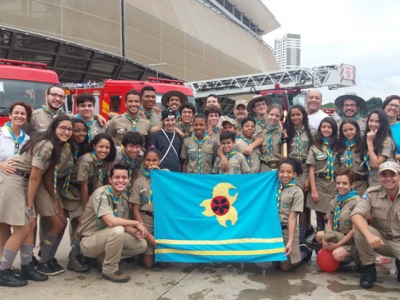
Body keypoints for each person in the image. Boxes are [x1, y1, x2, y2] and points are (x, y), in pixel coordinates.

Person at [0, 115, 73, 286]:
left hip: (22, 181)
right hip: (15, 181)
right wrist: (28, 205)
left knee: (31, 225)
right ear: (54, 127)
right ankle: (3, 272)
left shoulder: (53, 145)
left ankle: (26, 267)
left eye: (69, 129)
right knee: (23, 227)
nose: (67, 132)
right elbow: (34, 177)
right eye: (63, 127)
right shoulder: (47, 145)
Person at [78, 164, 147, 283]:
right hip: (90, 240)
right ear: (110, 179)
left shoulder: (123, 197)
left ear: (128, 179)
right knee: (117, 230)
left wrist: (136, 232)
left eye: (124, 178)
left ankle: (103, 258)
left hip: (108, 237)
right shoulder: (101, 194)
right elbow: (111, 221)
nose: (121, 180)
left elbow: (124, 224)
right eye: (117, 177)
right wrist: (137, 222)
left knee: (141, 245)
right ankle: (109, 269)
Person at [39, 119, 90, 274]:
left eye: (83, 131)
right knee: (58, 224)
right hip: (50, 187)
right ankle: (44, 259)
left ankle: (62, 256)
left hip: (66, 189)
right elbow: (48, 175)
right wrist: (54, 198)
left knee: (77, 222)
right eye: (76, 130)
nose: (80, 134)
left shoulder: (79, 148)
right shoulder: (60, 147)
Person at [351, 161, 400, 288]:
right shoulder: (372, 193)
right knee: (360, 230)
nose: (388, 178)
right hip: (381, 240)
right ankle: (369, 270)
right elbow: (356, 214)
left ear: (399, 176)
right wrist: (369, 235)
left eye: (392, 175)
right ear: (379, 177)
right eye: (384, 175)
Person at [0, 102, 32, 272]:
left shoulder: (26, 139)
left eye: (23, 114)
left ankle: (6, 261)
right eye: (16, 113)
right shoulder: (1, 133)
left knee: (13, 222)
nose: (20, 116)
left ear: (27, 118)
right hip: (3, 181)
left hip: (20, 182)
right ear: (10, 115)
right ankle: (3, 263)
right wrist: (1, 164)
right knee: (3, 224)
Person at [272, 158, 313, 271]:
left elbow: (292, 218)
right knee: (275, 265)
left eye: (289, 172)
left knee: (285, 267)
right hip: (274, 231)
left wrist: (290, 241)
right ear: (277, 172)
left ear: (294, 174)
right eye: (282, 172)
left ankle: (304, 252)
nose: (285, 175)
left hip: (287, 230)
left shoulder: (297, 192)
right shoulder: (273, 187)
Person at [282, 104, 315, 243]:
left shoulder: (311, 132)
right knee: (290, 202)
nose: (295, 117)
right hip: (291, 169)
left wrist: (308, 178)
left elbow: (314, 154)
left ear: (303, 116)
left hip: (306, 168)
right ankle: (289, 235)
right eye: (292, 115)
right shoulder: (287, 132)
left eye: (298, 115)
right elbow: (283, 151)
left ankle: (301, 238)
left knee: (302, 205)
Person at [315, 168, 361, 264]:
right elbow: (330, 221)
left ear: (352, 185)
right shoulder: (336, 200)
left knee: (337, 254)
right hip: (339, 235)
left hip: (353, 240)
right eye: (338, 183)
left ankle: (357, 257)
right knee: (319, 235)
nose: (340, 186)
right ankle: (337, 253)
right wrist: (326, 239)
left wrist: (337, 245)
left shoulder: (357, 202)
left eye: (344, 183)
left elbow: (354, 230)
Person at [130, 148, 164, 268]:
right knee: (148, 265)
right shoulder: (139, 181)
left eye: (155, 160)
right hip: (146, 218)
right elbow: (135, 209)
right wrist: (144, 229)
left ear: (160, 161)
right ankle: (143, 253)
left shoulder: (166, 177)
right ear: (143, 161)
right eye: (148, 160)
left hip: (162, 220)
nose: (151, 163)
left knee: (164, 264)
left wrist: (161, 176)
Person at [306, 117, 339, 231]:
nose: (326, 129)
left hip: (334, 184)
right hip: (319, 183)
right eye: (323, 127)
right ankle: (320, 236)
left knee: (330, 214)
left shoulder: (339, 146)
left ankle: (331, 235)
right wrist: (313, 189)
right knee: (319, 213)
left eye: (329, 127)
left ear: (334, 129)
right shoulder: (315, 146)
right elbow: (311, 168)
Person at [337, 119, 368, 195]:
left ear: (357, 129)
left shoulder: (364, 145)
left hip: (361, 185)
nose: (348, 132)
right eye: (345, 130)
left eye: (351, 129)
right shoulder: (340, 146)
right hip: (344, 186)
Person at [364, 109, 395, 187]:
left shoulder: (386, 140)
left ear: (383, 123)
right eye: (371, 121)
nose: (373, 124)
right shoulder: (369, 137)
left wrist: (369, 142)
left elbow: (376, 164)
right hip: (370, 180)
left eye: (377, 121)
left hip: (384, 183)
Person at [110, 131, 143, 198]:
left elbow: (135, 175)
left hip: (127, 181)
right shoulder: (115, 154)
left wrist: (132, 193)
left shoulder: (140, 156)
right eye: (131, 146)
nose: (134, 150)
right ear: (124, 146)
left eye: (137, 147)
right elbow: (109, 175)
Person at [150, 108, 183, 172]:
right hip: (161, 171)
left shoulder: (178, 135)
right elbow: (152, 153)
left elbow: (180, 155)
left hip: (175, 171)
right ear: (162, 121)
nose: (170, 123)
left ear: (175, 120)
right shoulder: (156, 135)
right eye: (167, 120)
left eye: (172, 120)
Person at [259, 104, 283, 172]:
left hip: (278, 167)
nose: (273, 118)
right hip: (264, 167)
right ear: (267, 114)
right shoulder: (261, 132)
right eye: (271, 114)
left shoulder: (282, 132)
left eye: (277, 116)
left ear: (280, 117)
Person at [382, 95, 400, 161]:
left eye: (397, 106)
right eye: (391, 104)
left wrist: (395, 157)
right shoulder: (375, 125)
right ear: (384, 107)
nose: (393, 108)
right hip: (375, 167)